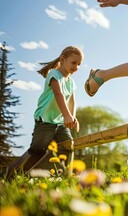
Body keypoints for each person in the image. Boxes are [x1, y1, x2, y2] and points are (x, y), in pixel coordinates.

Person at [5, 46, 83, 179]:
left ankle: (64, 177)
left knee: (69, 147)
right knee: (37, 152)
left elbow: (72, 102)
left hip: (60, 123)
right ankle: (8, 175)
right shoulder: (54, 74)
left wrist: (72, 117)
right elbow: (58, 94)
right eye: (73, 63)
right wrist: (66, 115)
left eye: (79, 64)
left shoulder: (71, 82)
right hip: (45, 121)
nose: (76, 67)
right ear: (63, 60)